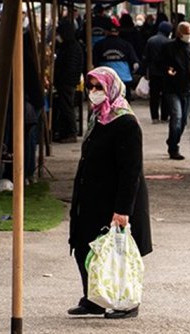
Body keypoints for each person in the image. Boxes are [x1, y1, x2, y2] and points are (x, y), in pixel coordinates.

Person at [68, 67, 152, 319]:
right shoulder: (98, 118)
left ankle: (126, 302)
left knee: (117, 253)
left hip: (115, 199)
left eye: (99, 88)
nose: (93, 93)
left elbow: (131, 171)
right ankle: (94, 298)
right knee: (86, 247)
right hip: (92, 196)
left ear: (112, 89)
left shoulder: (125, 122)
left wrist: (123, 209)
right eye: (90, 87)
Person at [161, 22, 190, 160]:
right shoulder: (169, 47)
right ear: (179, 33)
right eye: (187, 33)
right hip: (172, 88)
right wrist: (168, 69)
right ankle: (173, 148)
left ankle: (173, 141)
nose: (189, 36)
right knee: (177, 117)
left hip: (188, 88)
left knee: (184, 120)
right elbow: (160, 63)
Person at [53, 18, 84, 143]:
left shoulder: (72, 48)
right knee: (65, 106)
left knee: (67, 107)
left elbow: (70, 66)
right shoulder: (70, 46)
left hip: (67, 82)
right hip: (68, 81)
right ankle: (65, 132)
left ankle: (71, 133)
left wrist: (61, 78)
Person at [93, 21, 140, 101]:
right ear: (118, 32)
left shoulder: (99, 45)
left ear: (106, 32)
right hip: (124, 78)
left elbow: (94, 62)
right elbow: (135, 63)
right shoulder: (126, 44)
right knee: (124, 102)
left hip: (106, 78)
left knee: (106, 101)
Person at [144, 21, 173, 124]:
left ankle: (154, 117)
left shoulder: (150, 41)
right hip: (166, 73)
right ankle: (165, 116)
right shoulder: (169, 42)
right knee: (166, 95)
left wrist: (146, 72)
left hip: (153, 72)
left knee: (154, 96)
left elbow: (146, 58)